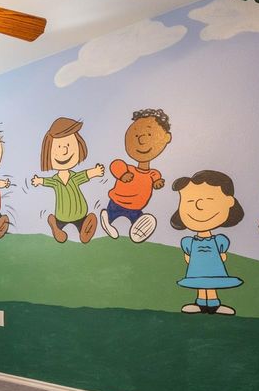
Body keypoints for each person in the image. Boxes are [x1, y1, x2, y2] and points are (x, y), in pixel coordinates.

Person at [171, 170, 244, 314]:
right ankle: (200, 303)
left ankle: (213, 304)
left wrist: (221, 256)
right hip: (196, 268)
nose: (198, 206)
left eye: (209, 200)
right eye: (189, 201)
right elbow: (188, 256)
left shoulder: (219, 240)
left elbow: (222, 254)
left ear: (229, 202)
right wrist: (189, 258)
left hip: (214, 267)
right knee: (199, 281)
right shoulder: (188, 242)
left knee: (211, 282)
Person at [100, 108, 172, 243]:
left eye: (149, 134)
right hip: (117, 202)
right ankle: (107, 221)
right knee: (111, 213)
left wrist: (157, 182)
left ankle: (138, 230)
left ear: (166, 138)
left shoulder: (152, 173)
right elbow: (116, 165)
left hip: (136, 207)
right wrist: (123, 174)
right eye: (136, 135)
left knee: (138, 218)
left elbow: (156, 177)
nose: (142, 140)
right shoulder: (128, 168)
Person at [31, 117, 104, 243]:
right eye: (58, 147)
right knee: (60, 225)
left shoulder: (74, 177)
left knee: (83, 225)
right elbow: (48, 181)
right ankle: (55, 226)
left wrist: (95, 172)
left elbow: (84, 175)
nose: (64, 151)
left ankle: (84, 230)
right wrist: (39, 181)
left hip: (80, 213)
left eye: (68, 145)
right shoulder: (55, 181)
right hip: (62, 215)